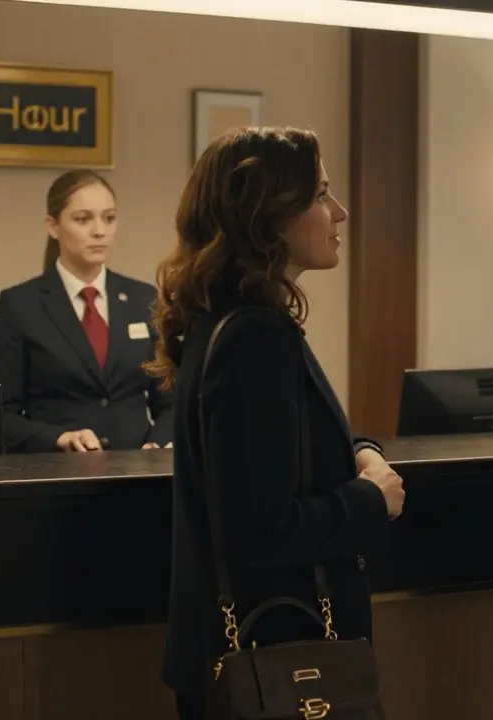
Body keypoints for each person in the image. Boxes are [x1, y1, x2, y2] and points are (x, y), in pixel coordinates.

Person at [146, 127, 405, 720]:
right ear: (268, 216)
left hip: (252, 659)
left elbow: (279, 454)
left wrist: (359, 450)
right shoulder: (255, 337)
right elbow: (256, 527)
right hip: (276, 666)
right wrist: (371, 500)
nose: (339, 212)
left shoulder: (231, 321)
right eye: (320, 195)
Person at [0, 170, 174, 453]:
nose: (100, 231)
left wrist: (158, 443)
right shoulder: (21, 305)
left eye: (109, 218)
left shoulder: (143, 298)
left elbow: (171, 401)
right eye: (83, 219)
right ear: (53, 226)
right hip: (60, 476)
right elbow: (0, 417)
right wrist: (58, 438)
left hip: (138, 474)